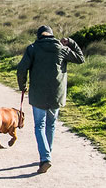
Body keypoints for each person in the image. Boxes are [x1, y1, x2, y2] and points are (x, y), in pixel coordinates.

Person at [16, 25, 84, 173]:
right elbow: (80, 59)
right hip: (56, 95)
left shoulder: (33, 48)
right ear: (52, 35)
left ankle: (45, 157)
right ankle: (47, 155)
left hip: (38, 95)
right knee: (50, 125)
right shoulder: (62, 49)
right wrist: (71, 42)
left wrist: (22, 86)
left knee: (39, 126)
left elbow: (21, 69)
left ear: (39, 35)